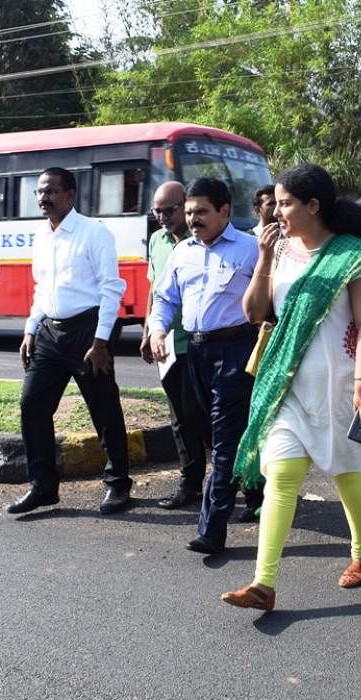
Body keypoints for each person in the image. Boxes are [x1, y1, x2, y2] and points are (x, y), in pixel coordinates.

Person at [220, 164, 361, 612]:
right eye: (274, 201)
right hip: (287, 385)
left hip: (341, 385)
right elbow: (254, 313)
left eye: (286, 202)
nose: (276, 210)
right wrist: (266, 259)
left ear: (313, 206)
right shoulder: (280, 251)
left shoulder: (352, 255)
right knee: (282, 477)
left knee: (348, 472)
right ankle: (263, 584)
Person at [7, 167, 133, 517]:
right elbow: (41, 289)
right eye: (39, 192)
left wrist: (101, 340)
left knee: (104, 409)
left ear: (70, 195)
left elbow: (111, 288)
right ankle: (43, 486)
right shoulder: (41, 236)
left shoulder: (94, 233)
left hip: (86, 332)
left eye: (50, 192)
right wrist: (31, 329)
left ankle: (118, 484)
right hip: (48, 332)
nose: (42, 198)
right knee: (32, 404)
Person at [148, 177, 264, 555]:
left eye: (202, 212)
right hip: (193, 353)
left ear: (225, 210)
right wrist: (157, 328)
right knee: (210, 433)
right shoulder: (182, 253)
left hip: (236, 350)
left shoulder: (250, 250)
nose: (193, 219)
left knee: (226, 439)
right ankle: (257, 486)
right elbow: (165, 298)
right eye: (189, 212)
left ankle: (212, 528)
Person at [140, 181, 209, 509]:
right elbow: (155, 290)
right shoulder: (157, 240)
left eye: (171, 209)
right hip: (169, 344)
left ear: (186, 205)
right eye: (158, 211)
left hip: (205, 342)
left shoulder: (203, 238)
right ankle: (190, 482)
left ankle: (240, 480)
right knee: (180, 417)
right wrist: (147, 331)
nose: (164, 217)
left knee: (212, 416)